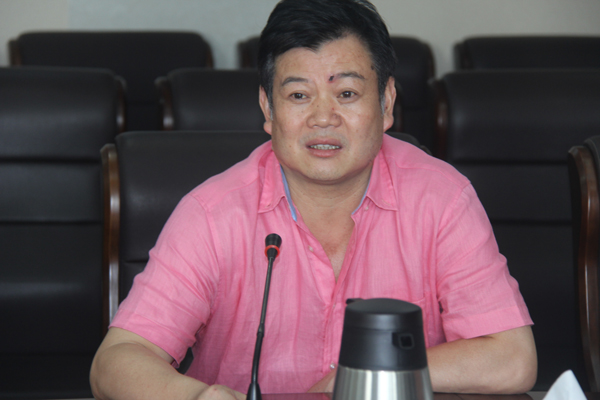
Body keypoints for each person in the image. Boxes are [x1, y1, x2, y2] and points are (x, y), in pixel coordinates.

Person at [90, 0, 537, 398]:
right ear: (268, 109)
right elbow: (117, 360)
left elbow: (512, 359)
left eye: (347, 94)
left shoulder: (442, 199)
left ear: (387, 103)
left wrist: (362, 374)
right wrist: (196, 398)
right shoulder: (212, 214)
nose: (323, 117)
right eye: (299, 95)